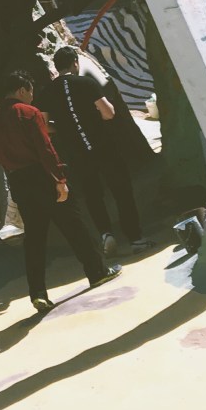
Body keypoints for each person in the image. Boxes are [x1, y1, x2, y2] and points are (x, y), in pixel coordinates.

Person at [0, 69, 120, 312]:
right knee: (74, 226)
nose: (32, 96)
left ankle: (38, 294)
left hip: (18, 181)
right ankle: (97, 272)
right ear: (21, 90)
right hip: (43, 176)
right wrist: (60, 180)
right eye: (30, 91)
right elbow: (45, 150)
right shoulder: (28, 113)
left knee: (34, 238)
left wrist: (8, 157)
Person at [42, 45, 153, 256]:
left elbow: (45, 126)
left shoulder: (47, 93)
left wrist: (63, 127)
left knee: (92, 195)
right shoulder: (86, 83)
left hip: (76, 152)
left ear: (56, 67)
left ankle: (105, 234)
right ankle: (135, 238)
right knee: (121, 190)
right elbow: (108, 113)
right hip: (102, 145)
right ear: (75, 63)